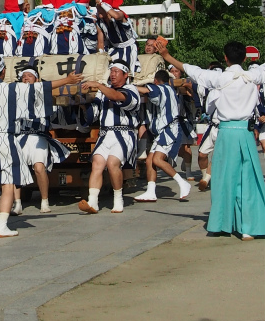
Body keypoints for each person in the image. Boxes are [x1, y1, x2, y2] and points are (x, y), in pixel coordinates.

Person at [0, 56, 82, 238]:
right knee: (8, 182)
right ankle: (3, 225)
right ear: (3, 71)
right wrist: (68, 80)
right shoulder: (12, 88)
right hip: (6, 137)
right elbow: (41, 88)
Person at [158, 42, 265, 240]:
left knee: (223, 179)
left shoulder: (219, 77)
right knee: (248, 179)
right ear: (243, 58)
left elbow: (191, 69)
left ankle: (222, 223)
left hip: (226, 132)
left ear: (225, 58)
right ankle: (249, 227)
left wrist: (166, 55)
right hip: (245, 133)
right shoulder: (254, 75)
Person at [78, 61, 141, 215]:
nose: (113, 74)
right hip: (105, 133)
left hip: (124, 133)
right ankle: (93, 201)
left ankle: (118, 198)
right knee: (97, 163)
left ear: (125, 75)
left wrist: (99, 86)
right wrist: (82, 102)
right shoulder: (103, 92)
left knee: (113, 163)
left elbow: (118, 97)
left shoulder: (131, 90)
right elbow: (94, 115)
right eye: (111, 71)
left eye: (116, 71)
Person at [12, 66, 71, 215]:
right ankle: (17, 203)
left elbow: (48, 87)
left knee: (39, 168)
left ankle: (44, 200)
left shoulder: (44, 93)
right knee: (16, 169)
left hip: (39, 136)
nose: (26, 78)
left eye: (29, 76)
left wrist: (69, 80)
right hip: (20, 136)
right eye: (23, 76)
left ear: (36, 79)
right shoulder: (16, 93)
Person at [134, 70, 190, 202]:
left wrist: (130, 87)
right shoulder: (170, 89)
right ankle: (151, 191)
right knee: (149, 161)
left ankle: (182, 183)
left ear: (155, 81)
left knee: (157, 160)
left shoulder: (162, 89)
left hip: (169, 129)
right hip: (163, 131)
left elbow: (149, 91)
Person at [96, 0, 140, 74]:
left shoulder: (120, 14)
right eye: (98, 8)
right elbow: (100, 43)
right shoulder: (100, 22)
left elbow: (115, 16)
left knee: (123, 70)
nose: (98, 11)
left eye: (101, 9)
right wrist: (101, 57)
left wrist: (102, 3)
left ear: (107, 8)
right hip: (114, 49)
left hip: (129, 49)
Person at [168, 64, 197, 181]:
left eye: (177, 71)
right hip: (168, 122)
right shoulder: (164, 85)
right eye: (172, 71)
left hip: (182, 120)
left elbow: (192, 96)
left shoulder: (186, 83)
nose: (174, 73)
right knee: (173, 148)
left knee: (186, 148)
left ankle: (188, 171)